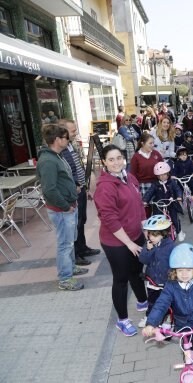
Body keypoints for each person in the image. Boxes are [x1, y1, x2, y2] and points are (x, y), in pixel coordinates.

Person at [94, 144, 148, 336]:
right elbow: (110, 219)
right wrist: (129, 243)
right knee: (121, 279)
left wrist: (146, 230)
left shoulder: (129, 177)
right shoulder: (105, 187)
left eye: (119, 158)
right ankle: (122, 320)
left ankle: (143, 302)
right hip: (116, 242)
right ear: (104, 163)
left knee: (137, 271)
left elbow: (140, 205)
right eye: (111, 159)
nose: (116, 162)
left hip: (135, 235)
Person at [36, 124, 87, 291]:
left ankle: (71, 268)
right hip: (62, 210)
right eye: (65, 137)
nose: (68, 139)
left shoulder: (56, 156)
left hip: (68, 207)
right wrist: (65, 206)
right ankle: (65, 278)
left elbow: (62, 179)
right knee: (65, 244)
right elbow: (49, 189)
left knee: (69, 242)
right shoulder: (48, 160)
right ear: (57, 140)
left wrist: (74, 187)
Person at [59, 119, 100, 267]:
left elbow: (79, 167)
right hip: (73, 191)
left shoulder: (71, 146)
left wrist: (85, 187)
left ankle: (82, 248)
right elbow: (68, 173)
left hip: (81, 188)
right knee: (74, 224)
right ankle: (75, 254)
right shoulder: (61, 151)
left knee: (81, 220)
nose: (75, 133)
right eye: (72, 131)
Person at [138, 215, 175, 327]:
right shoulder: (149, 245)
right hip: (152, 281)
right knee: (152, 301)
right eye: (150, 234)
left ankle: (168, 319)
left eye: (155, 235)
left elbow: (174, 262)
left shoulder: (170, 246)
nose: (152, 237)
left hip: (166, 281)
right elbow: (143, 259)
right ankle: (149, 317)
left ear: (163, 234)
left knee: (167, 302)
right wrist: (148, 250)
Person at [143, 162, 185, 242]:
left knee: (175, 218)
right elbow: (149, 192)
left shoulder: (171, 182)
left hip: (171, 203)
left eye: (164, 174)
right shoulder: (155, 184)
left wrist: (179, 197)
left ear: (168, 174)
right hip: (159, 205)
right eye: (160, 175)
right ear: (157, 176)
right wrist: (145, 201)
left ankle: (179, 232)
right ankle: (158, 234)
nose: (162, 177)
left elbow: (177, 189)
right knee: (158, 220)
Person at [130, 132, 163, 202]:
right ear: (143, 143)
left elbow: (163, 167)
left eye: (153, 143)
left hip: (157, 184)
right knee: (146, 209)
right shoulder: (136, 157)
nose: (153, 145)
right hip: (143, 186)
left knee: (158, 206)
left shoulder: (156, 153)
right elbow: (132, 175)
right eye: (150, 143)